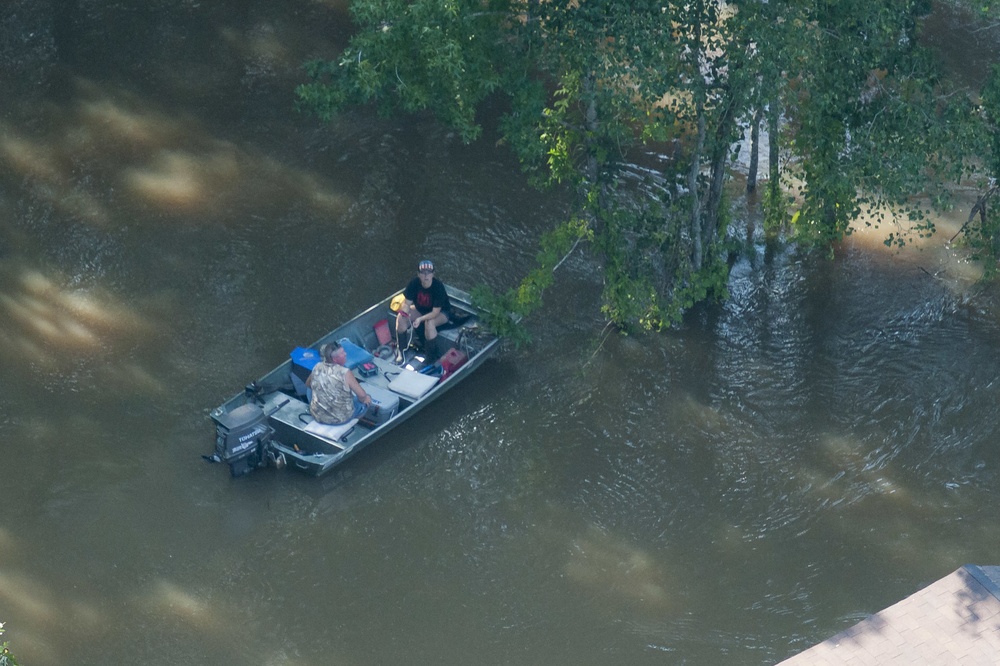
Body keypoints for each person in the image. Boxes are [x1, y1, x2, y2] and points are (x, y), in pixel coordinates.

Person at [305, 341, 373, 425]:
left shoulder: (317, 366)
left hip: (317, 415)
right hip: (339, 420)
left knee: (311, 385)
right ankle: (353, 422)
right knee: (367, 399)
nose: (345, 354)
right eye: (342, 353)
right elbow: (362, 396)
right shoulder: (345, 373)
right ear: (335, 359)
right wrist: (365, 398)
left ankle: (314, 407)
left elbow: (308, 384)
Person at [396, 259, 451, 356]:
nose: (426, 275)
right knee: (400, 318)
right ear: (418, 274)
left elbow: (435, 313)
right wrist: (404, 312)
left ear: (433, 274)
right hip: (421, 310)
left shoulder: (438, 287)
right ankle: (402, 350)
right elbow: (407, 303)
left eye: (429, 272)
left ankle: (430, 357)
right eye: (423, 272)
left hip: (442, 313)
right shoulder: (414, 283)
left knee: (429, 323)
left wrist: (420, 319)